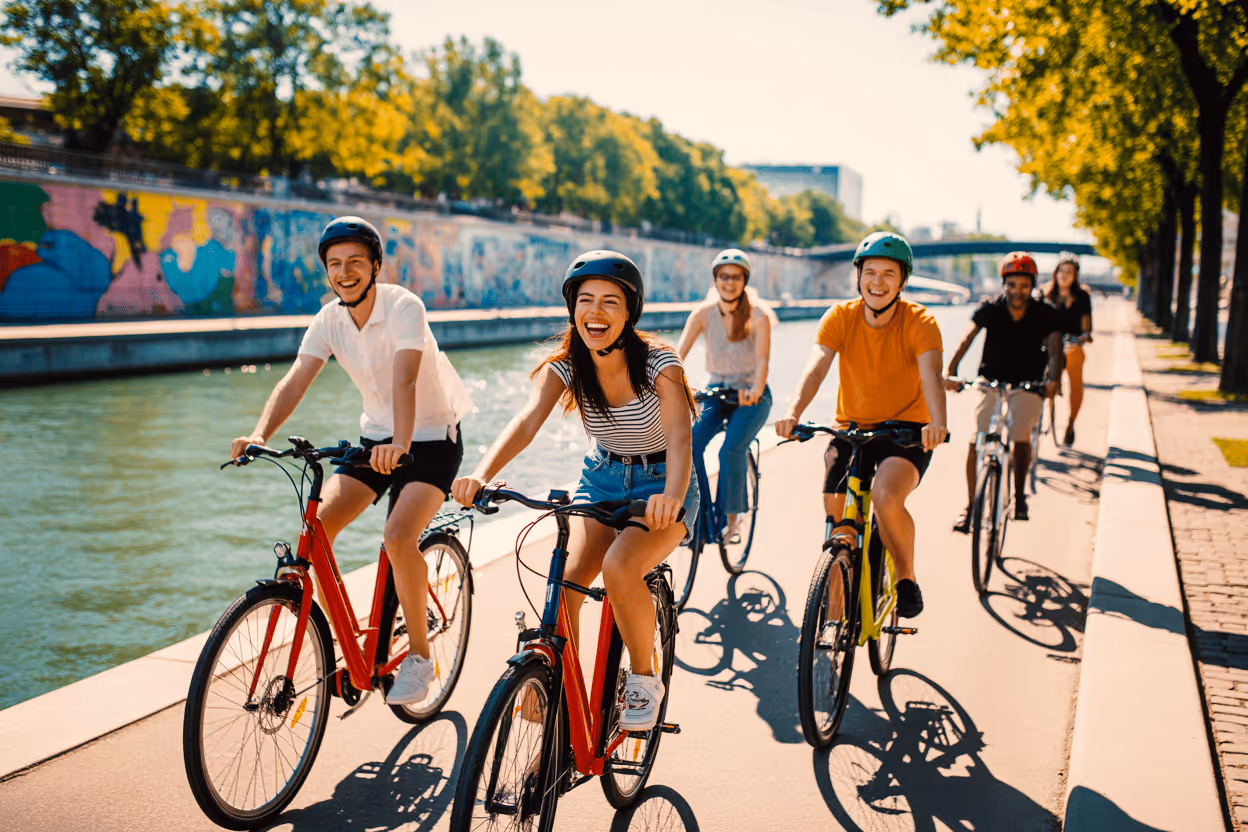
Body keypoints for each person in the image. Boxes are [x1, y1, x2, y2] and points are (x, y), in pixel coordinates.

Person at [450, 251, 698, 732]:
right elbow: (525, 423)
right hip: (602, 478)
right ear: (572, 309)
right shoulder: (565, 367)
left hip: (664, 480)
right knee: (564, 586)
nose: (596, 312)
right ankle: (563, 691)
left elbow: (682, 437)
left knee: (620, 567)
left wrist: (671, 494)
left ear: (630, 312)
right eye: (586, 300)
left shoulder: (660, 365)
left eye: (610, 301)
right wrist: (480, 473)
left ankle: (645, 679)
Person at [230, 216, 471, 705]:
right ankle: (346, 642)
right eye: (335, 264)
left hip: (430, 439)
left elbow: (405, 379)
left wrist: (401, 443)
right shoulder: (329, 320)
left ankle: (421, 659)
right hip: (374, 438)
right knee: (317, 525)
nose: (345, 272)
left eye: (355, 262)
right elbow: (296, 379)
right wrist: (260, 433)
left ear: (375, 266)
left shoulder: (405, 306)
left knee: (398, 536)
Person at [775, 231, 949, 619]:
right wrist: (793, 411)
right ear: (858, 276)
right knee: (839, 519)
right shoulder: (841, 317)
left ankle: (905, 577)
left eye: (889, 274)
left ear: (903, 281)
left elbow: (932, 375)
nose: (878, 282)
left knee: (887, 497)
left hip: (907, 432)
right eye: (870, 272)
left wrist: (938, 423)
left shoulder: (921, 321)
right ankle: (835, 603)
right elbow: (816, 365)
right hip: (852, 429)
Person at [946, 252, 1062, 531]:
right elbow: (967, 337)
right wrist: (950, 370)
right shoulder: (991, 309)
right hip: (991, 380)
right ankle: (971, 506)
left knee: (1021, 433)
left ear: (1032, 285)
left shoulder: (1045, 312)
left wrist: (1053, 380)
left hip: (1029, 384)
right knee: (979, 437)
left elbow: (1056, 351)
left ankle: (1019, 496)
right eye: (1011, 284)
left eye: (1024, 285)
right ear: (1003, 285)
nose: (1017, 291)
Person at [675, 248, 775, 540]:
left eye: (735, 277)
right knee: (689, 444)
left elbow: (762, 361)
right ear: (715, 279)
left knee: (730, 449)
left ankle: (732, 521)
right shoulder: (703, 314)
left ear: (744, 280)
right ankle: (700, 514)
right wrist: (675, 386)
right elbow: (678, 355)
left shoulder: (759, 315)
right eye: (723, 276)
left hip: (750, 395)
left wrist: (755, 389)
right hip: (715, 391)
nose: (729, 282)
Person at [1042, 251, 1093, 445]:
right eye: (1061, 271)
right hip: (1050, 346)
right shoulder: (1046, 294)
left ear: (1075, 275)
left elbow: (1086, 324)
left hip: (1072, 346)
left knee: (1077, 384)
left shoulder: (1082, 296)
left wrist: (1084, 335)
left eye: (1068, 272)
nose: (1064, 275)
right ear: (1055, 273)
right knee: (1043, 375)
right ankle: (1045, 409)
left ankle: (1071, 424)